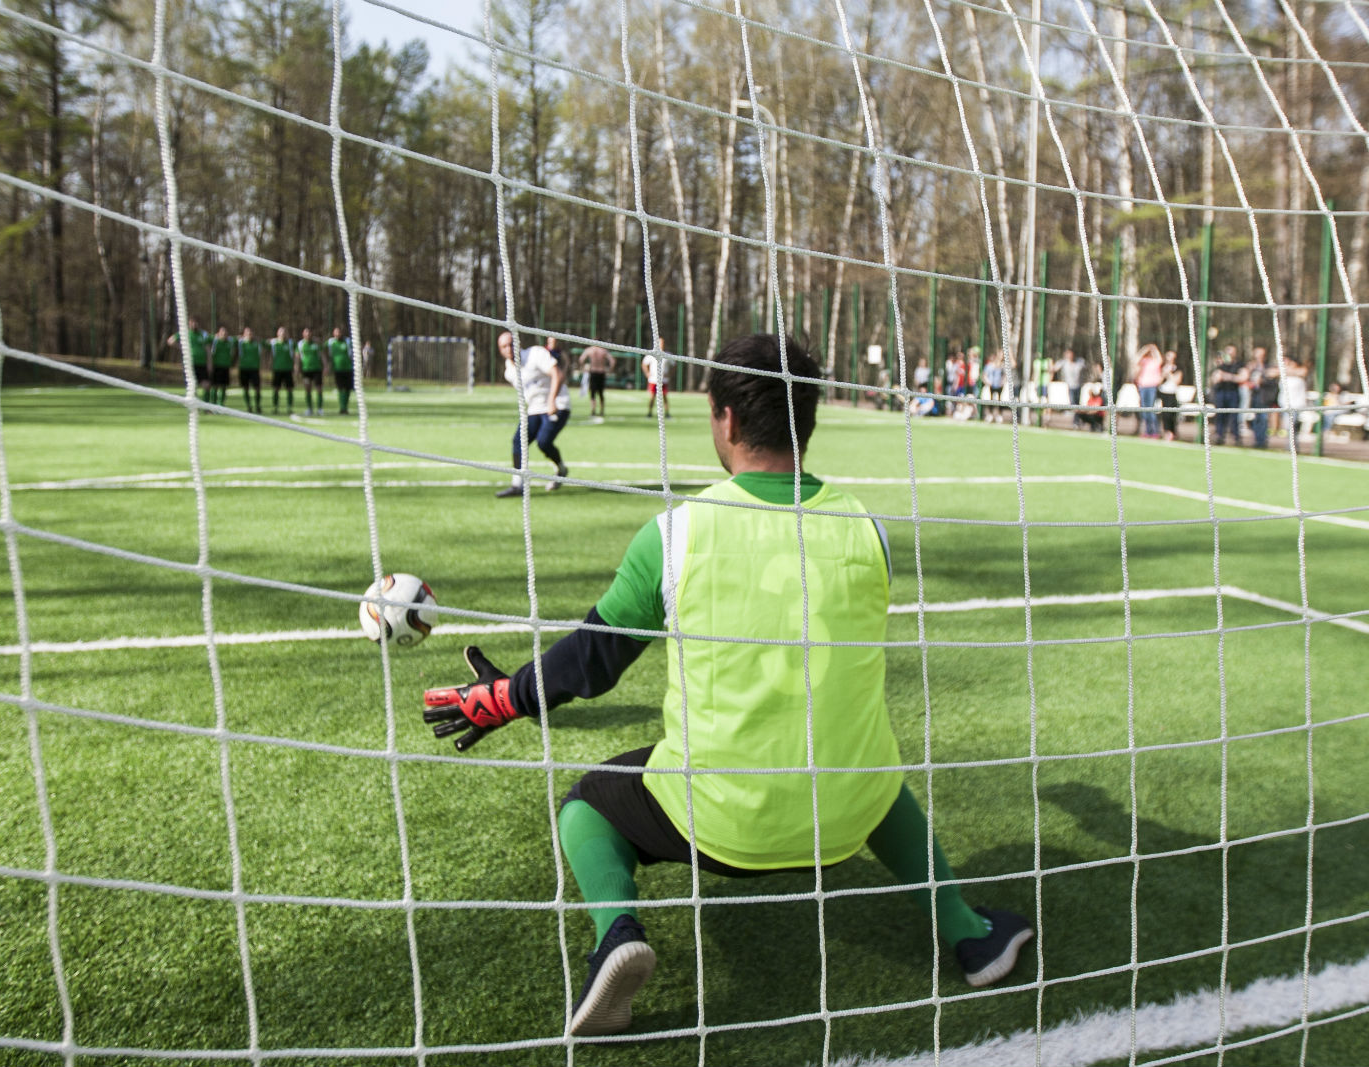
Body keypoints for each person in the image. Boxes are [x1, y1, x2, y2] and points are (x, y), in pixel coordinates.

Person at [422, 334, 1033, 1037]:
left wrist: (506, 697)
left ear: (727, 419)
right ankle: (969, 932)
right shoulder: (871, 531)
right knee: (873, 765)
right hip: (844, 818)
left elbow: (591, 662)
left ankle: (616, 933)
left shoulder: (676, 534)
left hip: (718, 824)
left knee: (586, 804)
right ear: (808, 419)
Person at [495, 330, 570, 497]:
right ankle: (517, 485)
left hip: (558, 404)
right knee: (518, 441)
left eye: (511, 344)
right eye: (504, 346)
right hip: (535, 409)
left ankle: (561, 469)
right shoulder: (509, 371)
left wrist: (552, 400)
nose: (508, 348)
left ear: (518, 343)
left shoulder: (535, 354)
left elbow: (558, 375)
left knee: (544, 442)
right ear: (500, 350)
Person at [1210, 345, 1246, 446]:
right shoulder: (1220, 365)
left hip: (1233, 392)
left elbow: (1242, 377)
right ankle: (1219, 436)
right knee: (1220, 415)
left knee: (1234, 416)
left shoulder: (1239, 365)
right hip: (1221, 392)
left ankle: (1236, 438)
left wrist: (1227, 376)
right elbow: (1215, 379)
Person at [167, 317, 211, 400]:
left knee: (207, 385)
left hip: (202, 363)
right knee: (192, 385)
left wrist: (209, 363)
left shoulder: (203, 334)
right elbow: (170, 341)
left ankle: (206, 404)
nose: (194, 325)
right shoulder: (185, 333)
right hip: (189, 363)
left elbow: (208, 349)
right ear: (189, 324)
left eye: (196, 323)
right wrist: (181, 347)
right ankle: (194, 403)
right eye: (192, 323)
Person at [1133, 343, 1163, 438]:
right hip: (1143, 386)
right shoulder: (1144, 361)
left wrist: (1154, 349)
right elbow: (1136, 359)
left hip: (1152, 387)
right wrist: (1145, 349)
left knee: (1151, 409)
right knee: (1144, 409)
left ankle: (1155, 431)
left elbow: (1159, 359)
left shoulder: (1155, 362)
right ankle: (1147, 431)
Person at [1051, 348, 1085, 427]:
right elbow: (1054, 368)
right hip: (1070, 386)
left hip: (1078, 386)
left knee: (1077, 404)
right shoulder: (1064, 362)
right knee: (1073, 404)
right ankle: (1076, 420)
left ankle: (1077, 420)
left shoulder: (1079, 361)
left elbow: (1085, 367)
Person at [581, 344, 614, 419]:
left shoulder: (590, 350)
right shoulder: (603, 350)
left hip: (593, 372)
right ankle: (602, 411)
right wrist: (610, 370)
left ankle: (593, 411)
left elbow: (581, 359)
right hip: (601, 372)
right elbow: (612, 361)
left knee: (593, 393)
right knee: (601, 393)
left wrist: (583, 368)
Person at [298, 327, 325, 416]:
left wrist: (325, 365)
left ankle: (320, 408)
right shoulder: (300, 344)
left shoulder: (316, 344)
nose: (308, 334)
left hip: (317, 369)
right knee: (307, 389)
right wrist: (297, 368)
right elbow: (297, 356)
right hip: (306, 370)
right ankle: (309, 408)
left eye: (309, 332)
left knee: (319, 389)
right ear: (303, 334)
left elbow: (322, 355)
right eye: (306, 333)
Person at [268, 326, 295, 415]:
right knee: (276, 388)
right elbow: (262, 342)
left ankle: (289, 407)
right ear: (277, 333)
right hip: (277, 369)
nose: (283, 334)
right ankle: (275, 407)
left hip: (288, 369)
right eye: (281, 332)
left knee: (289, 389)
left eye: (284, 332)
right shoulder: (273, 343)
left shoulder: (291, 343)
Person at [327, 327, 354, 415]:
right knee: (340, 388)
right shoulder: (331, 342)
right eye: (336, 332)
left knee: (348, 388)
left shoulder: (347, 341)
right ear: (333, 333)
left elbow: (354, 351)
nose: (338, 334)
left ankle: (345, 407)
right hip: (337, 369)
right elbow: (322, 349)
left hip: (348, 368)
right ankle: (342, 408)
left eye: (339, 332)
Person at [1157, 349, 1182, 441]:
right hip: (1162, 392)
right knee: (1164, 414)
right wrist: (1164, 373)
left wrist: (1170, 373)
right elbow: (1158, 381)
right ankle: (1165, 432)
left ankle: (1172, 433)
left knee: (1171, 414)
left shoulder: (1177, 368)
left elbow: (1177, 381)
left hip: (1171, 393)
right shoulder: (1162, 367)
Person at [642, 339, 669, 418]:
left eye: (663, 343)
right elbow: (644, 364)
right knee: (652, 397)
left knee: (664, 397)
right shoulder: (652, 354)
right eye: (660, 343)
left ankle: (667, 414)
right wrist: (647, 373)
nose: (662, 345)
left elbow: (674, 365)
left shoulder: (667, 355)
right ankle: (649, 413)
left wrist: (669, 374)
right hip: (653, 380)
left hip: (663, 380)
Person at [981, 351, 1005, 423]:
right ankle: (990, 415)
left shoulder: (1002, 366)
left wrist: (1002, 382)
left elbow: (1005, 375)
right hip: (991, 386)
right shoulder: (989, 366)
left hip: (999, 386)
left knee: (1000, 401)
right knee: (990, 400)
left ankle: (999, 416)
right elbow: (984, 375)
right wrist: (987, 382)